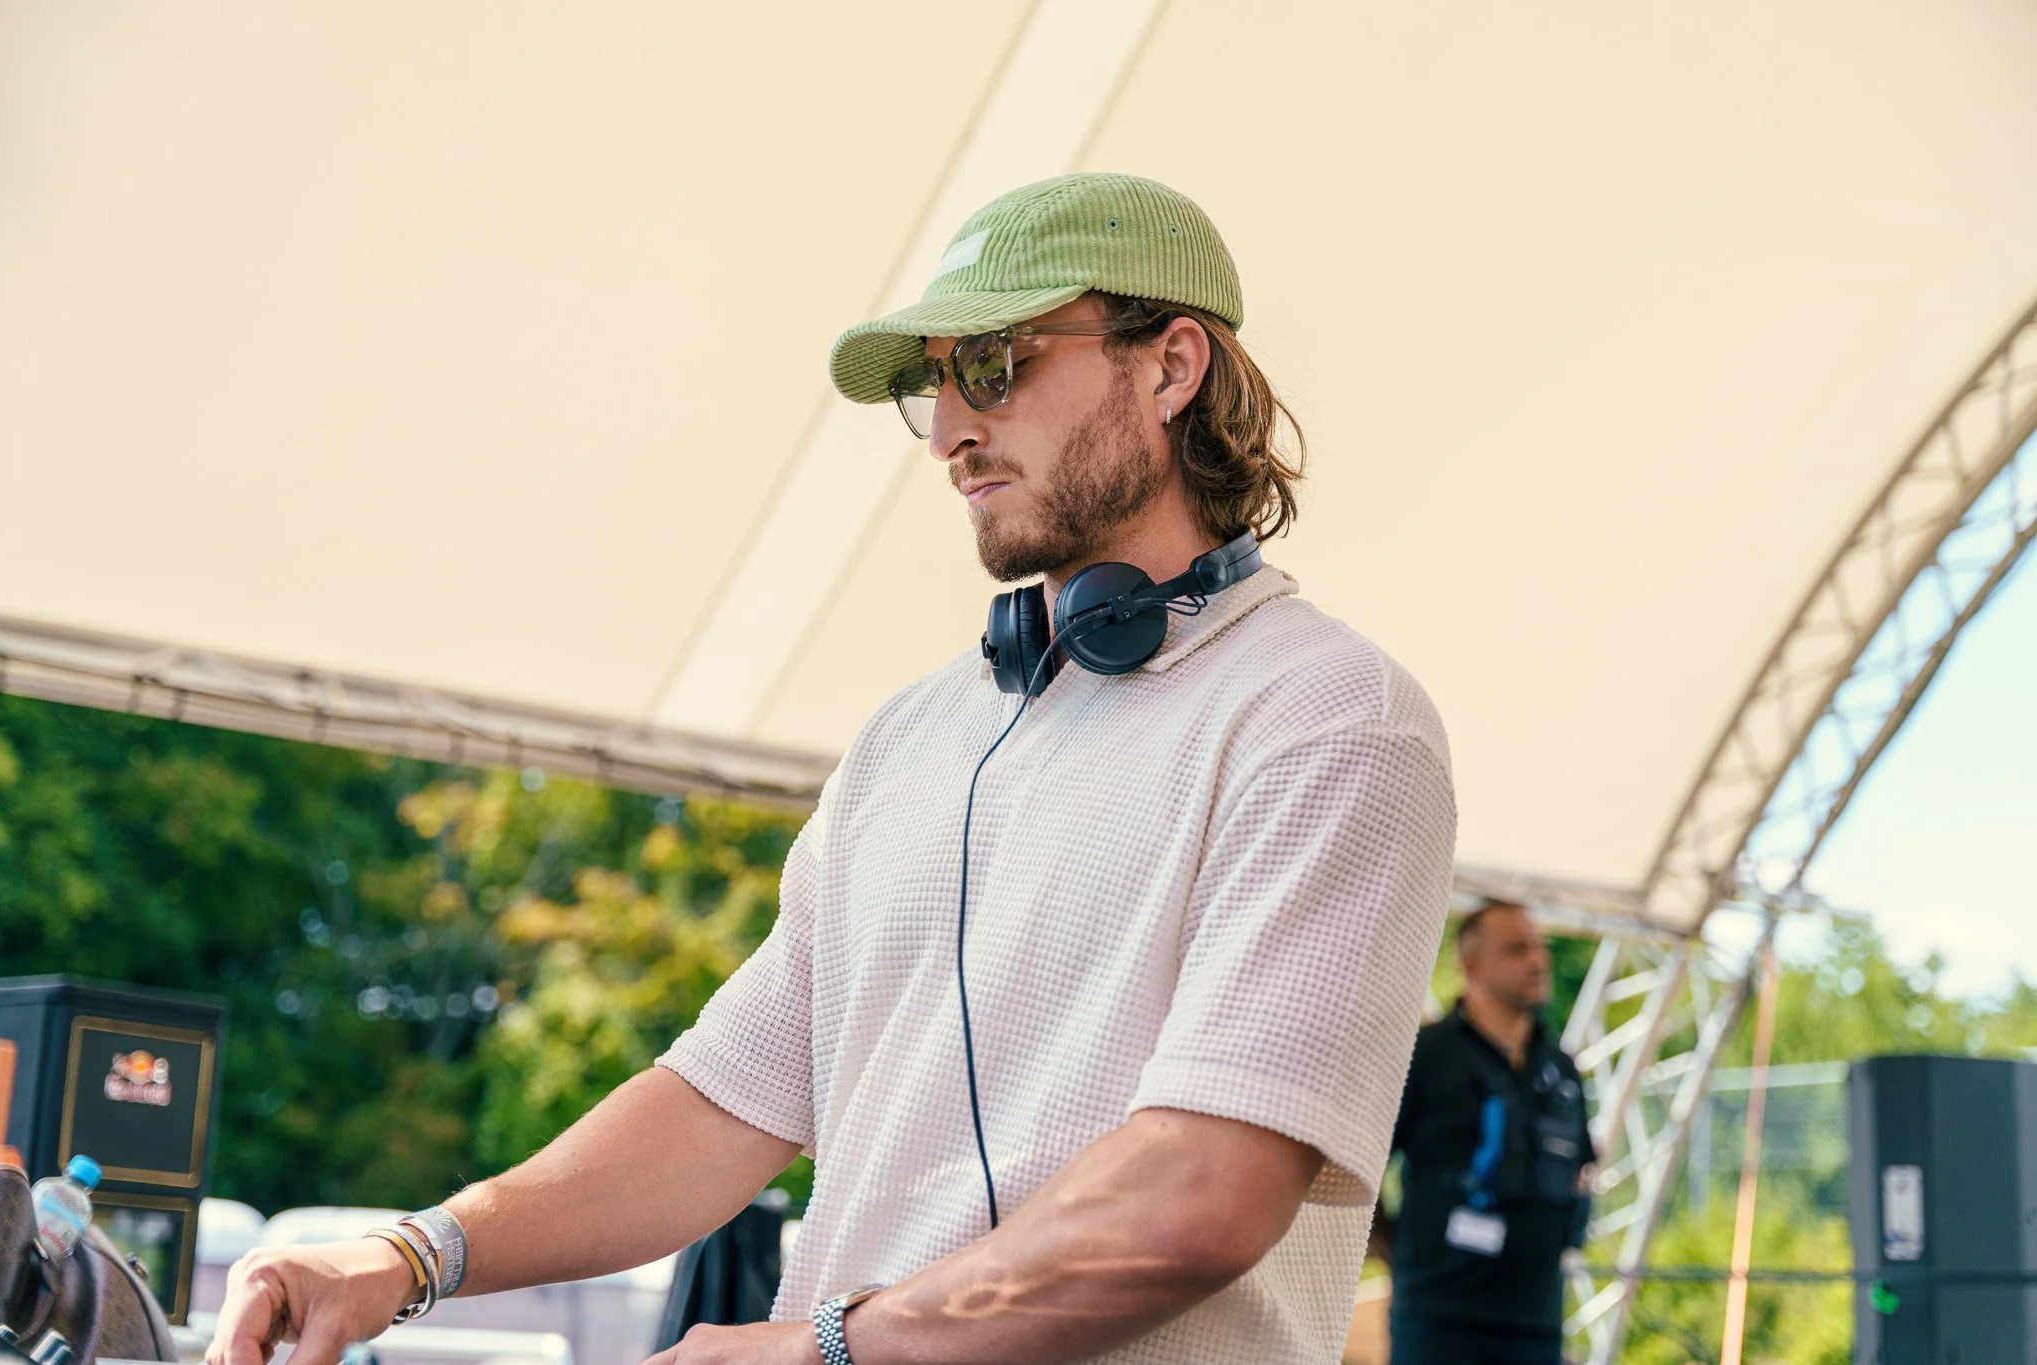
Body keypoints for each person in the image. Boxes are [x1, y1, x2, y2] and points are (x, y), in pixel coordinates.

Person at [209, 173, 1457, 1365]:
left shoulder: (1330, 722)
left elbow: (1199, 1195)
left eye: (993, 364)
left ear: (1170, 365)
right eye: (933, 386)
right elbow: (718, 1103)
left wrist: (824, 1347)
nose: (951, 432)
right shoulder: (910, 740)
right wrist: (405, 1257)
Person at [1375, 901, 1594, 1364]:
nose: (1537, 961)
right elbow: (1365, 1164)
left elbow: (1582, 1170)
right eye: (1517, 949)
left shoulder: (1560, 1069)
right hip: (1438, 1320)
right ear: (1471, 964)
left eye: (1539, 947)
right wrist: (1392, 1249)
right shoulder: (1427, 1055)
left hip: (1535, 1324)